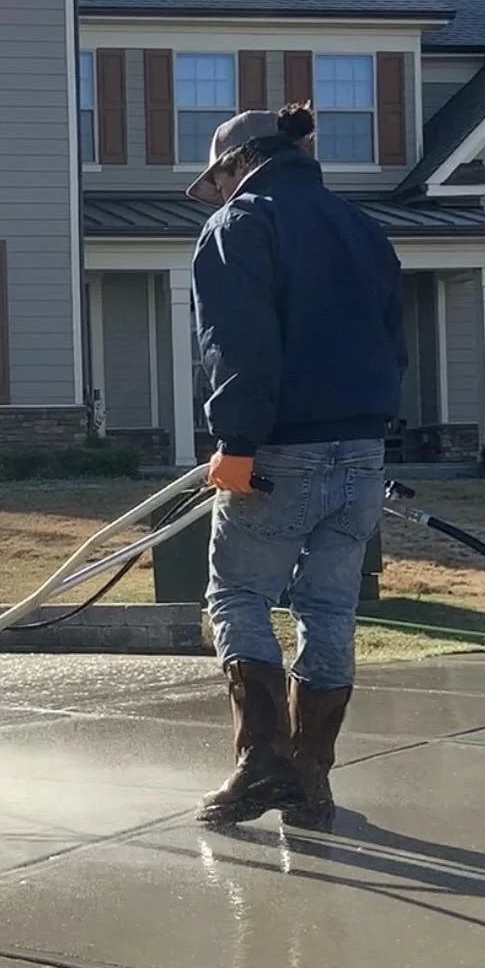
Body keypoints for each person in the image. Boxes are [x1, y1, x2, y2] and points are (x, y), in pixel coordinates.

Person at [184, 105, 405, 830]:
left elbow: (239, 347)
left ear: (236, 163)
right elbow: (394, 345)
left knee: (238, 592)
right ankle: (311, 776)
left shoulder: (240, 227)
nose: (217, 197)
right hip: (363, 454)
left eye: (216, 182)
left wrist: (236, 442)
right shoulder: (363, 229)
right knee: (329, 607)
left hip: (281, 449)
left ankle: (261, 765)